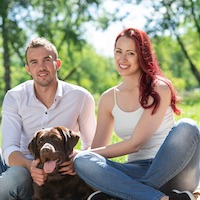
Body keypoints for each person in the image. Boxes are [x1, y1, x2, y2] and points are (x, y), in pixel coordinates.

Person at [74, 28, 200, 200]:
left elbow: (135, 144)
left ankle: (127, 194)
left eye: (130, 53)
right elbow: (96, 152)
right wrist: (79, 157)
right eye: (118, 51)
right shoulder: (108, 98)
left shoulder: (159, 88)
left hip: (175, 171)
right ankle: (160, 197)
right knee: (83, 161)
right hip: (134, 169)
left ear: (142, 56)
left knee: (187, 126)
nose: (122, 59)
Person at [0, 37, 96, 200]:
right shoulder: (15, 97)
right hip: (25, 166)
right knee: (13, 180)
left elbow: (93, 145)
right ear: (28, 69)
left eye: (47, 60)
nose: (41, 67)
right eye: (34, 62)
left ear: (57, 64)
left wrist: (76, 159)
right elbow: (9, 148)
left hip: (63, 172)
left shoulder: (81, 97)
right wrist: (31, 166)